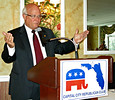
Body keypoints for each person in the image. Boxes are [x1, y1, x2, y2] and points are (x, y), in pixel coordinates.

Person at [1, 3, 89, 100]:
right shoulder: (14, 34)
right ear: (24, 16)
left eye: (39, 16)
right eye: (33, 16)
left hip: (46, 85)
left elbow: (60, 48)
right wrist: (11, 47)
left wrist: (74, 41)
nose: (37, 19)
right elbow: (7, 59)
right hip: (23, 86)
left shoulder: (47, 33)